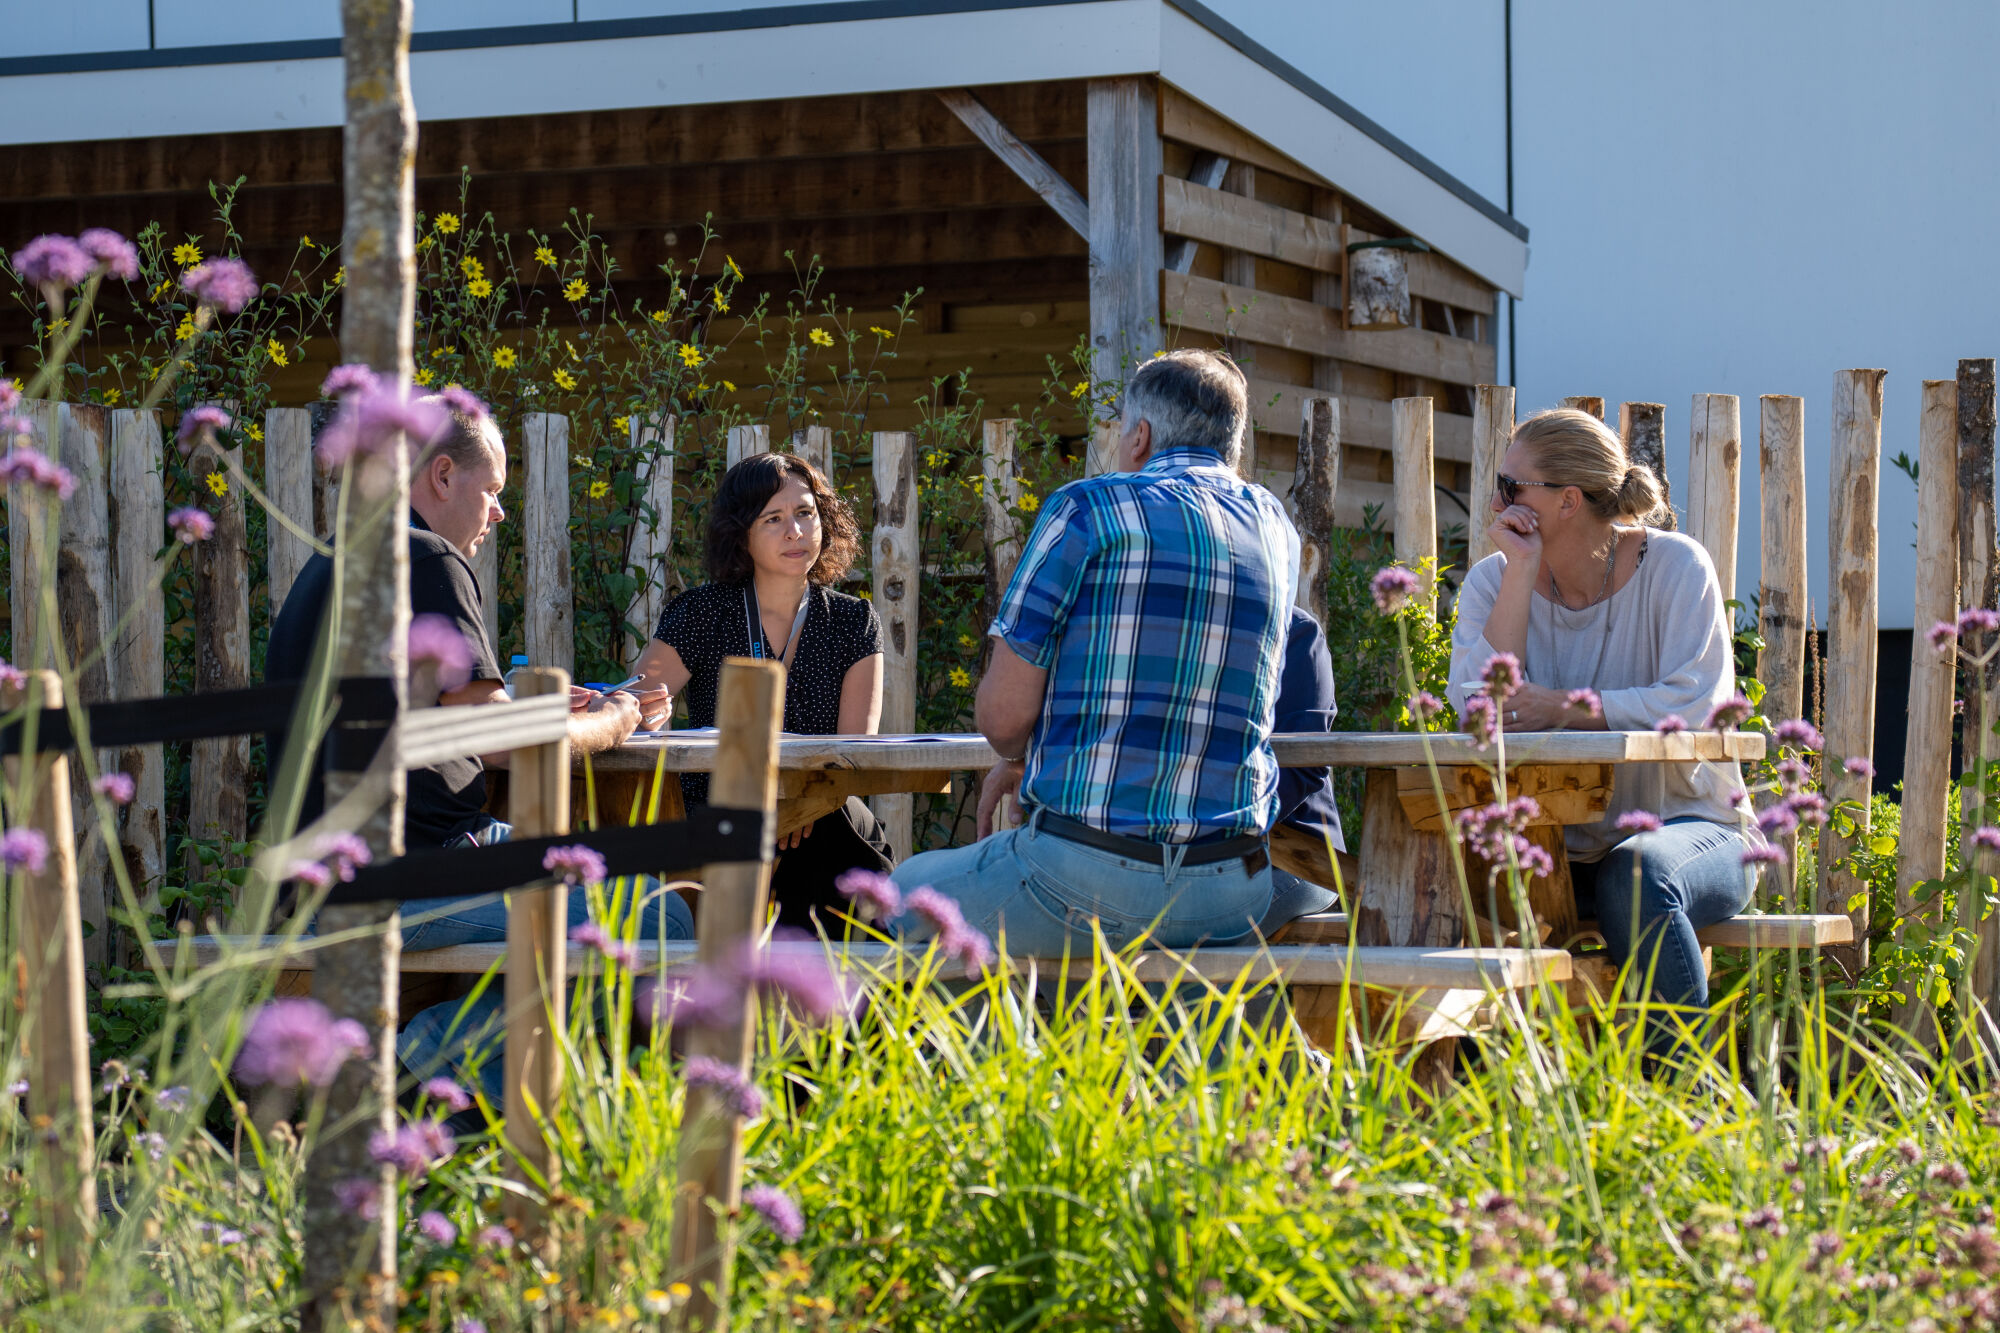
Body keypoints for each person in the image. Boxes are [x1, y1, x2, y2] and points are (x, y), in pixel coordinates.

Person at [264, 399, 693, 1099]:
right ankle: (418, 1064)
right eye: (492, 491)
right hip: (402, 872)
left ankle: (457, 1097)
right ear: (441, 475)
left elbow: (448, 718)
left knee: (594, 879)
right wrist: (616, 718)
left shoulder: (334, 563)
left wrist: (547, 707)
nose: (497, 515)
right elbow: (500, 743)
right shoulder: (425, 554)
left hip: (324, 867)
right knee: (663, 918)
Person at [889, 348, 1298, 953]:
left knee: (903, 893)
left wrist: (1030, 751)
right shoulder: (1274, 526)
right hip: (1232, 889)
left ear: (1141, 436)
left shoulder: (1088, 508)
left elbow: (1002, 723)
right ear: (1231, 446)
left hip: (1086, 879)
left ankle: (998, 1050)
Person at [1445, 407, 1757, 1036]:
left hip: (1696, 830)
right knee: (1454, 896)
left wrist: (1566, 707)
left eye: (1510, 486)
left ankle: (1687, 1103)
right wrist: (1522, 573)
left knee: (1636, 876)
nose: (1495, 500)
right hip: (1556, 850)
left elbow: (1695, 705)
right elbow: (1478, 710)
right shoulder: (1493, 582)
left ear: (1566, 501)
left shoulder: (1677, 568)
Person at [632, 451, 892, 931]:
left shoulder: (855, 622)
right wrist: (648, 710)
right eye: (773, 519)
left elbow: (855, 753)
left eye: (806, 513)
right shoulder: (702, 612)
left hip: (822, 808)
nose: (795, 531)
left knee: (832, 833)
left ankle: (838, 997)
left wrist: (800, 805)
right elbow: (636, 703)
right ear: (741, 534)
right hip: (721, 810)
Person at [1256, 606, 1345, 935]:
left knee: (1185, 938)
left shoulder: (1295, 631)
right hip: (1197, 856)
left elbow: (1305, 768)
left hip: (1301, 856)